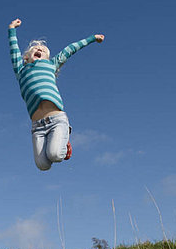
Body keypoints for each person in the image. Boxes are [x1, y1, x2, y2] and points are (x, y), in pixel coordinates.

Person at [8, 18, 104, 170]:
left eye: (44, 50)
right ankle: (57, 142)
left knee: (55, 155)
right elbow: (14, 50)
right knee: (43, 165)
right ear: (26, 57)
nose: (39, 49)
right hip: (37, 127)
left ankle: (64, 140)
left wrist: (92, 39)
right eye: (35, 49)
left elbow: (70, 49)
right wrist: (11, 29)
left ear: (47, 57)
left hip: (57, 120)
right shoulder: (21, 71)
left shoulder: (50, 65)